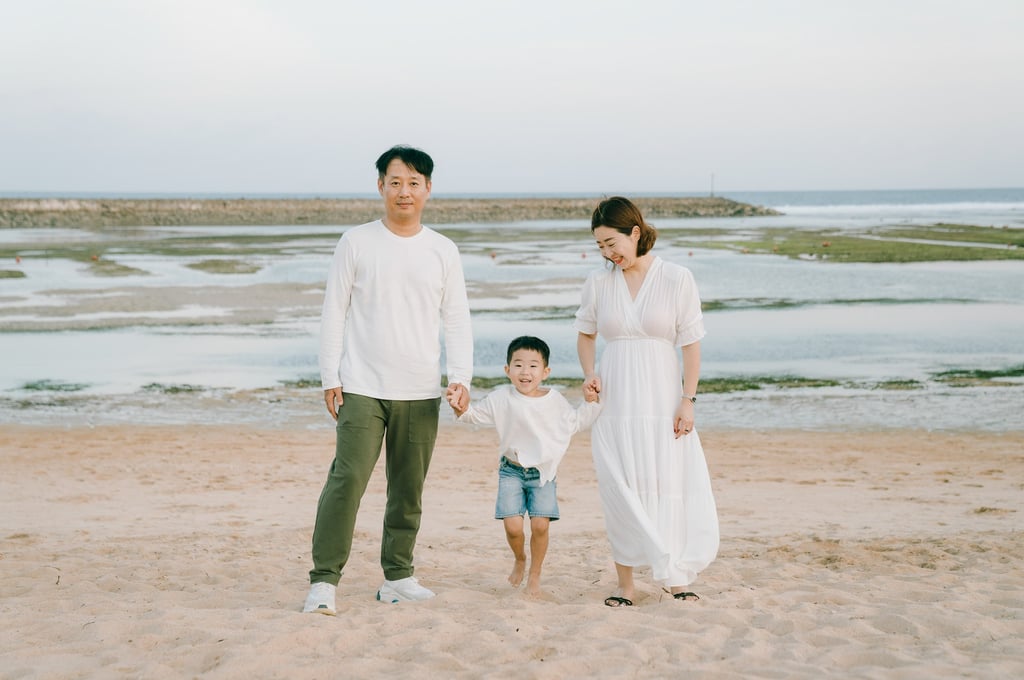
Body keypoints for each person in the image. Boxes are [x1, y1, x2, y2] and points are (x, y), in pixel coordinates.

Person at [303, 145, 473, 615]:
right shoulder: (355, 242)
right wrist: (329, 376)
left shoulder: (443, 249)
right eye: (395, 182)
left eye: (414, 183)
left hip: (420, 389)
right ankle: (324, 581)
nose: (404, 191)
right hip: (361, 385)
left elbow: (456, 318)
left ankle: (398, 575)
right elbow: (334, 311)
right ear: (380, 186)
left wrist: (460, 378)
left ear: (428, 190)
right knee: (347, 479)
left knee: (407, 488)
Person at [574, 196, 719, 607]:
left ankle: (674, 577)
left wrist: (688, 400)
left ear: (634, 232)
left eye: (611, 243)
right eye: (600, 246)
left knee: (666, 480)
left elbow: (691, 346)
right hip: (616, 401)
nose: (607, 253)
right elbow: (586, 335)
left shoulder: (676, 278)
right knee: (620, 486)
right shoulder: (599, 283)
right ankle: (626, 585)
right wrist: (590, 374)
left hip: (661, 398)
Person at [449, 335, 601, 597]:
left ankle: (535, 574)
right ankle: (520, 558)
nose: (525, 371)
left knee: (541, 526)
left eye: (533, 365)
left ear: (545, 372)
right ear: (507, 371)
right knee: (513, 527)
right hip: (511, 470)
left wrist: (591, 401)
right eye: (518, 365)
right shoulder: (501, 398)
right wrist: (459, 406)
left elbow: (575, 422)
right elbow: (472, 415)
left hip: (543, 473)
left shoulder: (554, 400)